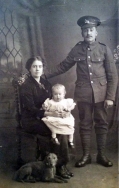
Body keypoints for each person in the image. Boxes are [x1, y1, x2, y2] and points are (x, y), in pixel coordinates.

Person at [44, 16, 118, 168]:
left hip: (101, 94)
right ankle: (86, 156)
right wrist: (43, 75)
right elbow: (63, 66)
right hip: (83, 94)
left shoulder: (104, 49)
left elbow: (112, 75)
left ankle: (101, 155)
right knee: (84, 124)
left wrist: (110, 97)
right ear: (82, 33)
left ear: (96, 32)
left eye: (91, 30)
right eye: (85, 30)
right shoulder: (77, 49)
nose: (88, 33)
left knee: (102, 124)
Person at [20, 56, 74, 178]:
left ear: (43, 68)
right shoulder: (26, 86)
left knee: (63, 126)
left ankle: (59, 164)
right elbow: (31, 109)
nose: (37, 69)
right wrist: (51, 114)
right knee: (59, 129)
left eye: (40, 66)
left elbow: (53, 100)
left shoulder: (45, 83)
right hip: (32, 119)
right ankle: (58, 166)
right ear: (29, 68)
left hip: (46, 116)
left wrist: (63, 110)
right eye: (34, 66)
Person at [42, 83, 76, 148]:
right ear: (52, 94)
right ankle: (54, 138)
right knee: (53, 128)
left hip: (64, 118)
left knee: (71, 128)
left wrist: (69, 109)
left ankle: (70, 141)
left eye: (60, 94)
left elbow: (73, 105)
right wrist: (44, 107)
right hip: (54, 118)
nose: (58, 96)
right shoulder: (50, 101)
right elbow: (45, 107)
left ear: (64, 93)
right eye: (55, 94)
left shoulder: (66, 101)